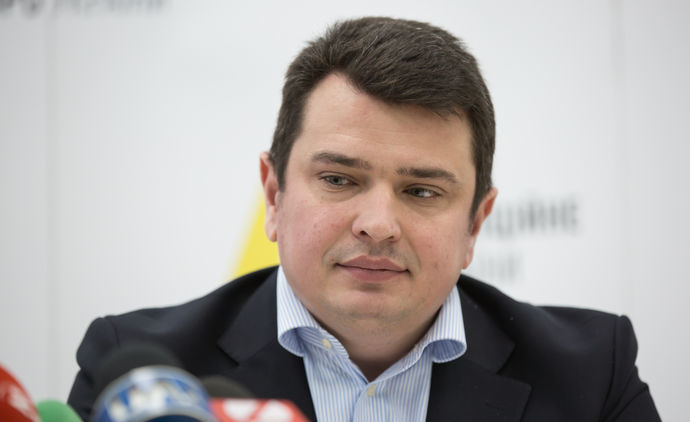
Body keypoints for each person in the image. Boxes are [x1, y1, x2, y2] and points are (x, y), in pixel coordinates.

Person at [68, 17, 660, 421]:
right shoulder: (142, 375)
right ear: (273, 195)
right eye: (338, 180)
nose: (378, 224)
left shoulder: (590, 375)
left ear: (475, 224)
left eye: (422, 191)